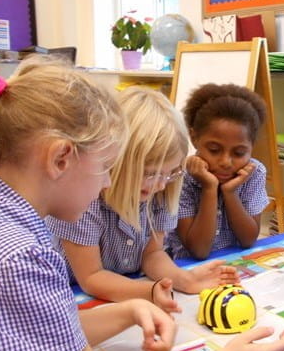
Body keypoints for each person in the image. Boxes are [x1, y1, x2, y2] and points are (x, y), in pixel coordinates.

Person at [0, 58, 284, 351]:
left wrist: (126, 310)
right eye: (106, 167)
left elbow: (47, 327)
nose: (107, 182)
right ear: (60, 158)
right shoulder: (20, 256)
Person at [47, 88, 239, 308]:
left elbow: (152, 254)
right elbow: (91, 278)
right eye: (149, 173)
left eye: (169, 173)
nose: (160, 184)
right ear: (116, 161)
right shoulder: (84, 198)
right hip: (71, 296)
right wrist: (151, 291)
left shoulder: (163, 189)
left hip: (123, 290)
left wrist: (184, 280)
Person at [165, 83, 271, 260]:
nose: (225, 162)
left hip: (234, 263)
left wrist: (230, 193)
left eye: (239, 153)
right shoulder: (181, 176)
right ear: (194, 138)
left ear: (252, 146)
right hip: (186, 266)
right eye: (214, 150)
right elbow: (199, 251)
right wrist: (209, 188)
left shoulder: (255, 172)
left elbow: (248, 239)